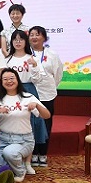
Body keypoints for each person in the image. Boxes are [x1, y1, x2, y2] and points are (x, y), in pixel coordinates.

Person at [0, 68, 51, 183]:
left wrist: (37, 106)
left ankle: (20, 171)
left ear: (18, 80)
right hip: (3, 139)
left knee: (10, 153)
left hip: (24, 140)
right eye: (5, 79)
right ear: (1, 82)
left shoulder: (28, 97)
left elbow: (46, 115)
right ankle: (12, 167)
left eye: (12, 78)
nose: (9, 81)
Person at [4, 29, 48, 173]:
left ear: (25, 42)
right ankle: (16, 160)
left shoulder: (31, 58)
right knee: (14, 124)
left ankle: (28, 162)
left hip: (28, 91)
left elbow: (37, 79)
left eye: (21, 39)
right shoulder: (7, 59)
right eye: (15, 39)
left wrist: (34, 66)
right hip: (11, 93)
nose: (18, 42)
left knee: (31, 127)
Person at [28, 26, 63, 166]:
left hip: (47, 93)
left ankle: (43, 153)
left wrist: (50, 86)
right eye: (31, 35)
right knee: (31, 124)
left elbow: (58, 74)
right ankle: (33, 153)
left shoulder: (52, 54)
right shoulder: (25, 54)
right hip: (30, 93)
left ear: (44, 37)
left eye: (37, 34)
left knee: (46, 123)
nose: (34, 37)